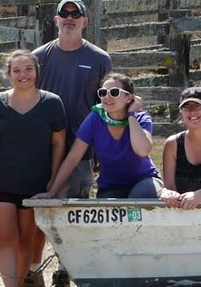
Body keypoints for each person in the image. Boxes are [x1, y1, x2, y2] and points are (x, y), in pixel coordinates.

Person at [33, 0, 112, 287]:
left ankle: (63, 276)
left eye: (75, 14)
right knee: (40, 215)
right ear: (55, 20)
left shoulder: (99, 59)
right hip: (41, 151)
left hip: (82, 150)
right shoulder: (40, 58)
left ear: (84, 21)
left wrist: (102, 151)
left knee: (73, 215)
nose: (68, 18)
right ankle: (31, 273)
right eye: (63, 14)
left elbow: (108, 106)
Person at [0, 50, 66, 287]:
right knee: (6, 240)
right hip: (2, 186)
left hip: (36, 186)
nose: (23, 75)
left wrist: (53, 181)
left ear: (36, 71)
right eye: (16, 70)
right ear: (8, 74)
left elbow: (59, 143)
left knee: (26, 241)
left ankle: (19, 284)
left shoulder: (52, 103)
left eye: (28, 69)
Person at [43, 72, 162, 200]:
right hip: (111, 186)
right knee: (107, 211)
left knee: (137, 200)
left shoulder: (141, 118)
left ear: (129, 98)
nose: (107, 97)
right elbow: (73, 157)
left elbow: (142, 150)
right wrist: (53, 192)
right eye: (103, 93)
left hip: (144, 180)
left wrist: (131, 115)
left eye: (114, 92)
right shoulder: (95, 118)